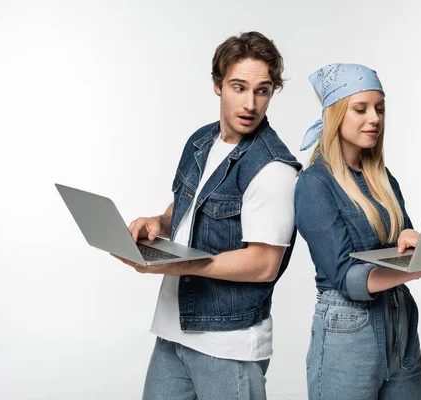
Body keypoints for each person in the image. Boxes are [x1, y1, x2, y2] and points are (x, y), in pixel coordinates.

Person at [114, 32, 301, 400]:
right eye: (239, 87)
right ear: (218, 85)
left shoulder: (273, 169)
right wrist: (159, 223)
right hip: (174, 330)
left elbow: (264, 264)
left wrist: (178, 264)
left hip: (228, 344)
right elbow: (188, 205)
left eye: (262, 90)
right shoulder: (201, 141)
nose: (251, 103)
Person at [294, 63, 421, 400]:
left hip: (400, 325)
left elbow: (401, 247)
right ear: (336, 115)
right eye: (361, 109)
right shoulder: (314, 185)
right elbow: (350, 280)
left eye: (379, 108)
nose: (375, 118)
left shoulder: (383, 179)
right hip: (348, 333)